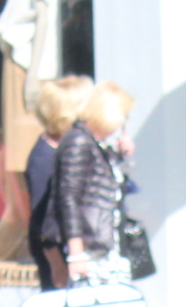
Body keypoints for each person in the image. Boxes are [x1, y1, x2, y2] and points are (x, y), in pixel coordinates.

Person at [46, 80, 136, 284]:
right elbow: (68, 199)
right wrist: (76, 254)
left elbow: (108, 189)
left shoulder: (96, 145)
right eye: (123, 116)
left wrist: (122, 156)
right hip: (90, 251)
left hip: (105, 247)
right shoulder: (79, 142)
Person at [28, 75, 92, 289]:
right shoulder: (43, 157)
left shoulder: (69, 146)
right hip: (58, 253)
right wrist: (56, 264)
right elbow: (40, 219)